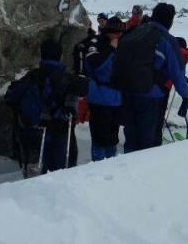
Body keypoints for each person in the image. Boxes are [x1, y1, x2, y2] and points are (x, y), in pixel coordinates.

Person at [119, 3, 188, 153]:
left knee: (131, 138)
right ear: (170, 21)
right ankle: (142, 173)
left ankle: (128, 168)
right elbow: (177, 73)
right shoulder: (167, 40)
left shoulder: (134, 32)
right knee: (146, 142)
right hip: (150, 95)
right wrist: (187, 92)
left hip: (127, 92)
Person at [7, 38, 87, 174]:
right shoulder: (69, 79)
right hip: (62, 131)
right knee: (64, 170)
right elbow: (85, 89)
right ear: (60, 56)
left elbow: (12, 96)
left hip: (36, 131)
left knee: (43, 168)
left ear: (42, 55)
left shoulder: (32, 76)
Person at [84, 17, 124, 161]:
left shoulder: (121, 43)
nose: (119, 35)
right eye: (117, 32)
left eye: (121, 33)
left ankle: (110, 166)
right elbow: (94, 64)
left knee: (112, 139)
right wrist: (111, 48)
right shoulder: (96, 42)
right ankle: (97, 167)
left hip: (116, 99)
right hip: (100, 98)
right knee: (99, 139)